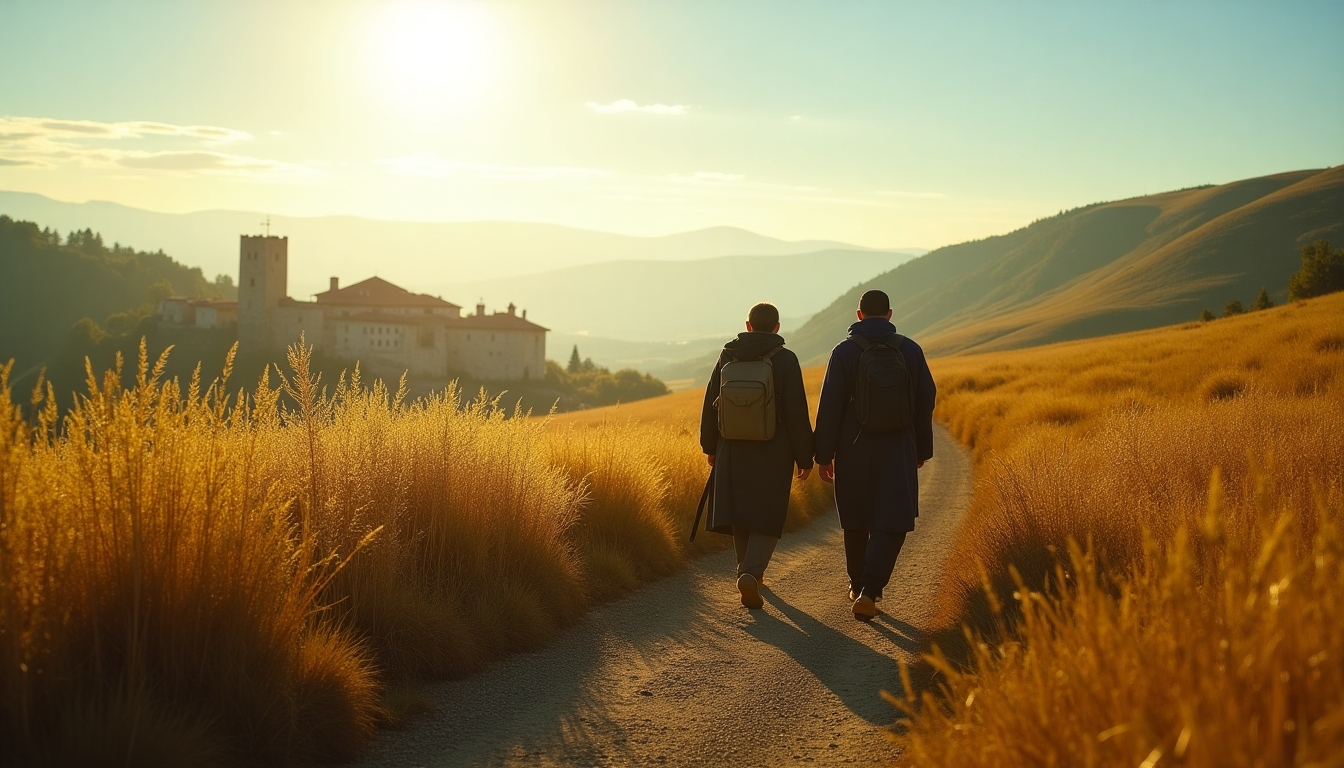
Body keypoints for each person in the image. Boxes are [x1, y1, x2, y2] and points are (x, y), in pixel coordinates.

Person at [813, 289, 936, 621]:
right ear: (890, 314)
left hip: (853, 449)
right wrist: (921, 449)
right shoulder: (910, 350)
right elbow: (926, 401)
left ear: (859, 315)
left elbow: (830, 407)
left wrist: (823, 455)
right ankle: (870, 589)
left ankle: (857, 584)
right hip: (898, 447)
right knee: (892, 520)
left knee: (856, 519)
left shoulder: (844, 352)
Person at [699, 302, 815, 609]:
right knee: (767, 512)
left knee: (740, 511)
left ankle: (749, 574)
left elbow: (711, 401)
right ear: (777, 328)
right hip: (774, 450)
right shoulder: (786, 359)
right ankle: (750, 573)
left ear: (747, 326)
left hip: (731, 446)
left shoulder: (727, 355)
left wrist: (710, 447)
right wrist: (806, 458)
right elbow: (796, 413)